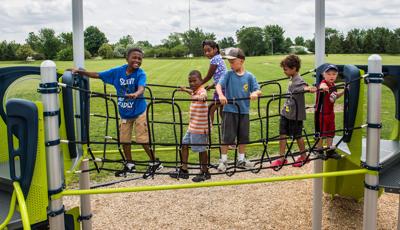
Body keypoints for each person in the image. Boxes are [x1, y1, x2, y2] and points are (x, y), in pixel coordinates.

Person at [72, 47, 162, 178]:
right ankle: (130, 164)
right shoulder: (117, 72)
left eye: (140, 58)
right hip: (125, 112)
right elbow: (98, 75)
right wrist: (80, 72)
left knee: (142, 139)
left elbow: (142, 88)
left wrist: (136, 93)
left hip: (139, 111)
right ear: (127, 59)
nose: (137, 60)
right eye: (134, 57)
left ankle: (155, 162)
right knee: (124, 140)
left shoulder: (140, 74)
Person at [216, 48, 262, 172]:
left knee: (243, 137)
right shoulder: (228, 74)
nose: (230, 65)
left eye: (232, 62)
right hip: (229, 110)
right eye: (229, 62)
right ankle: (224, 161)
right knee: (226, 137)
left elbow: (258, 89)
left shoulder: (249, 76)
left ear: (241, 61)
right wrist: (221, 95)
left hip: (244, 112)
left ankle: (241, 159)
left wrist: (254, 93)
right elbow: (219, 85)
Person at [271, 55, 317, 168]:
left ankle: (304, 156)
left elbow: (304, 86)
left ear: (294, 68)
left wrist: (309, 88)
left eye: (285, 69)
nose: (284, 71)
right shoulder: (291, 78)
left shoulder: (299, 80)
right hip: (286, 113)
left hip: (295, 115)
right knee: (282, 134)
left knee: (298, 136)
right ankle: (282, 158)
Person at [169, 70, 211, 182]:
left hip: (200, 128)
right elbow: (192, 92)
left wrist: (202, 97)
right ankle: (184, 169)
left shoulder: (201, 91)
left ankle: (205, 171)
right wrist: (184, 89)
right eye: (190, 81)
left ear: (201, 81)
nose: (192, 83)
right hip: (192, 126)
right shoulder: (195, 91)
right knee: (184, 144)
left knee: (201, 149)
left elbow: (204, 94)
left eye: (194, 81)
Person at [315, 64, 343, 159]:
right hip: (321, 114)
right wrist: (323, 87)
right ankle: (319, 150)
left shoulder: (333, 85)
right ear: (324, 75)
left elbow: (335, 96)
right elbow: (321, 86)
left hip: (330, 113)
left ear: (337, 75)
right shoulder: (323, 83)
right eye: (329, 74)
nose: (331, 76)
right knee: (321, 133)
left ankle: (329, 150)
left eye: (334, 74)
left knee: (331, 132)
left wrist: (344, 91)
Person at [201, 40, 227, 125]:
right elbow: (221, 75)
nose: (207, 53)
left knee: (210, 109)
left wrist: (198, 85)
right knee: (222, 112)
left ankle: (208, 130)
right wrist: (212, 85)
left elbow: (209, 76)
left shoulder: (215, 60)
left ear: (215, 49)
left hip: (222, 89)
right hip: (225, 87)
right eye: (205, 51)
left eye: (209, 50)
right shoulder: (219, 57)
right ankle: (227, 131)